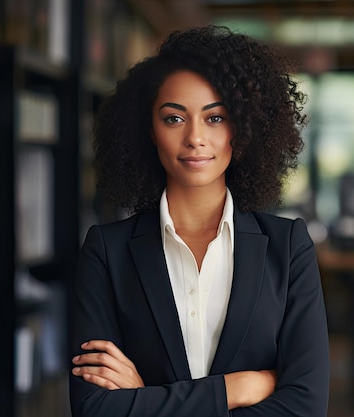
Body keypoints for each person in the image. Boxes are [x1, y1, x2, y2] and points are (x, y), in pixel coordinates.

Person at [70, 25, 329, 416]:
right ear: (149, 131)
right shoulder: (107, 252)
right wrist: (235, 388)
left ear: (242, 130)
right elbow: (95, 409)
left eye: (216, 118)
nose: (195, 138)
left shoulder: (288, 247)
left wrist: (146, 398)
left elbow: (304, 406)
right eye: (174, 119)